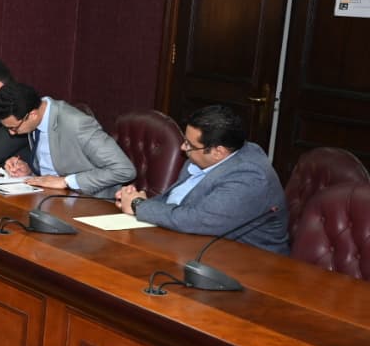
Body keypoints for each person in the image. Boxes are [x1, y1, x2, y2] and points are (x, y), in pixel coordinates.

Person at [116, 105, 289, 253]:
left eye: (189, 144)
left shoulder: (249, 176)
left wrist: (138, 205)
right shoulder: (205, 156)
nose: (183, 147)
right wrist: (138, 201)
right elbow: (176, 200)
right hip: (192, 245)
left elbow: (196, 220)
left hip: (246, 263)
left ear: (218, 152)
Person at [0, 82, 135, 197]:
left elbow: (124, 169)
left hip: (89, 202)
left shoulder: (77, 123)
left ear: (33, 115)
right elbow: (53, 167)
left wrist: (66, 181)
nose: (12, 133)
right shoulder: (33, 116)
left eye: (14, 128)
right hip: (49, 198)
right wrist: (28, 171)